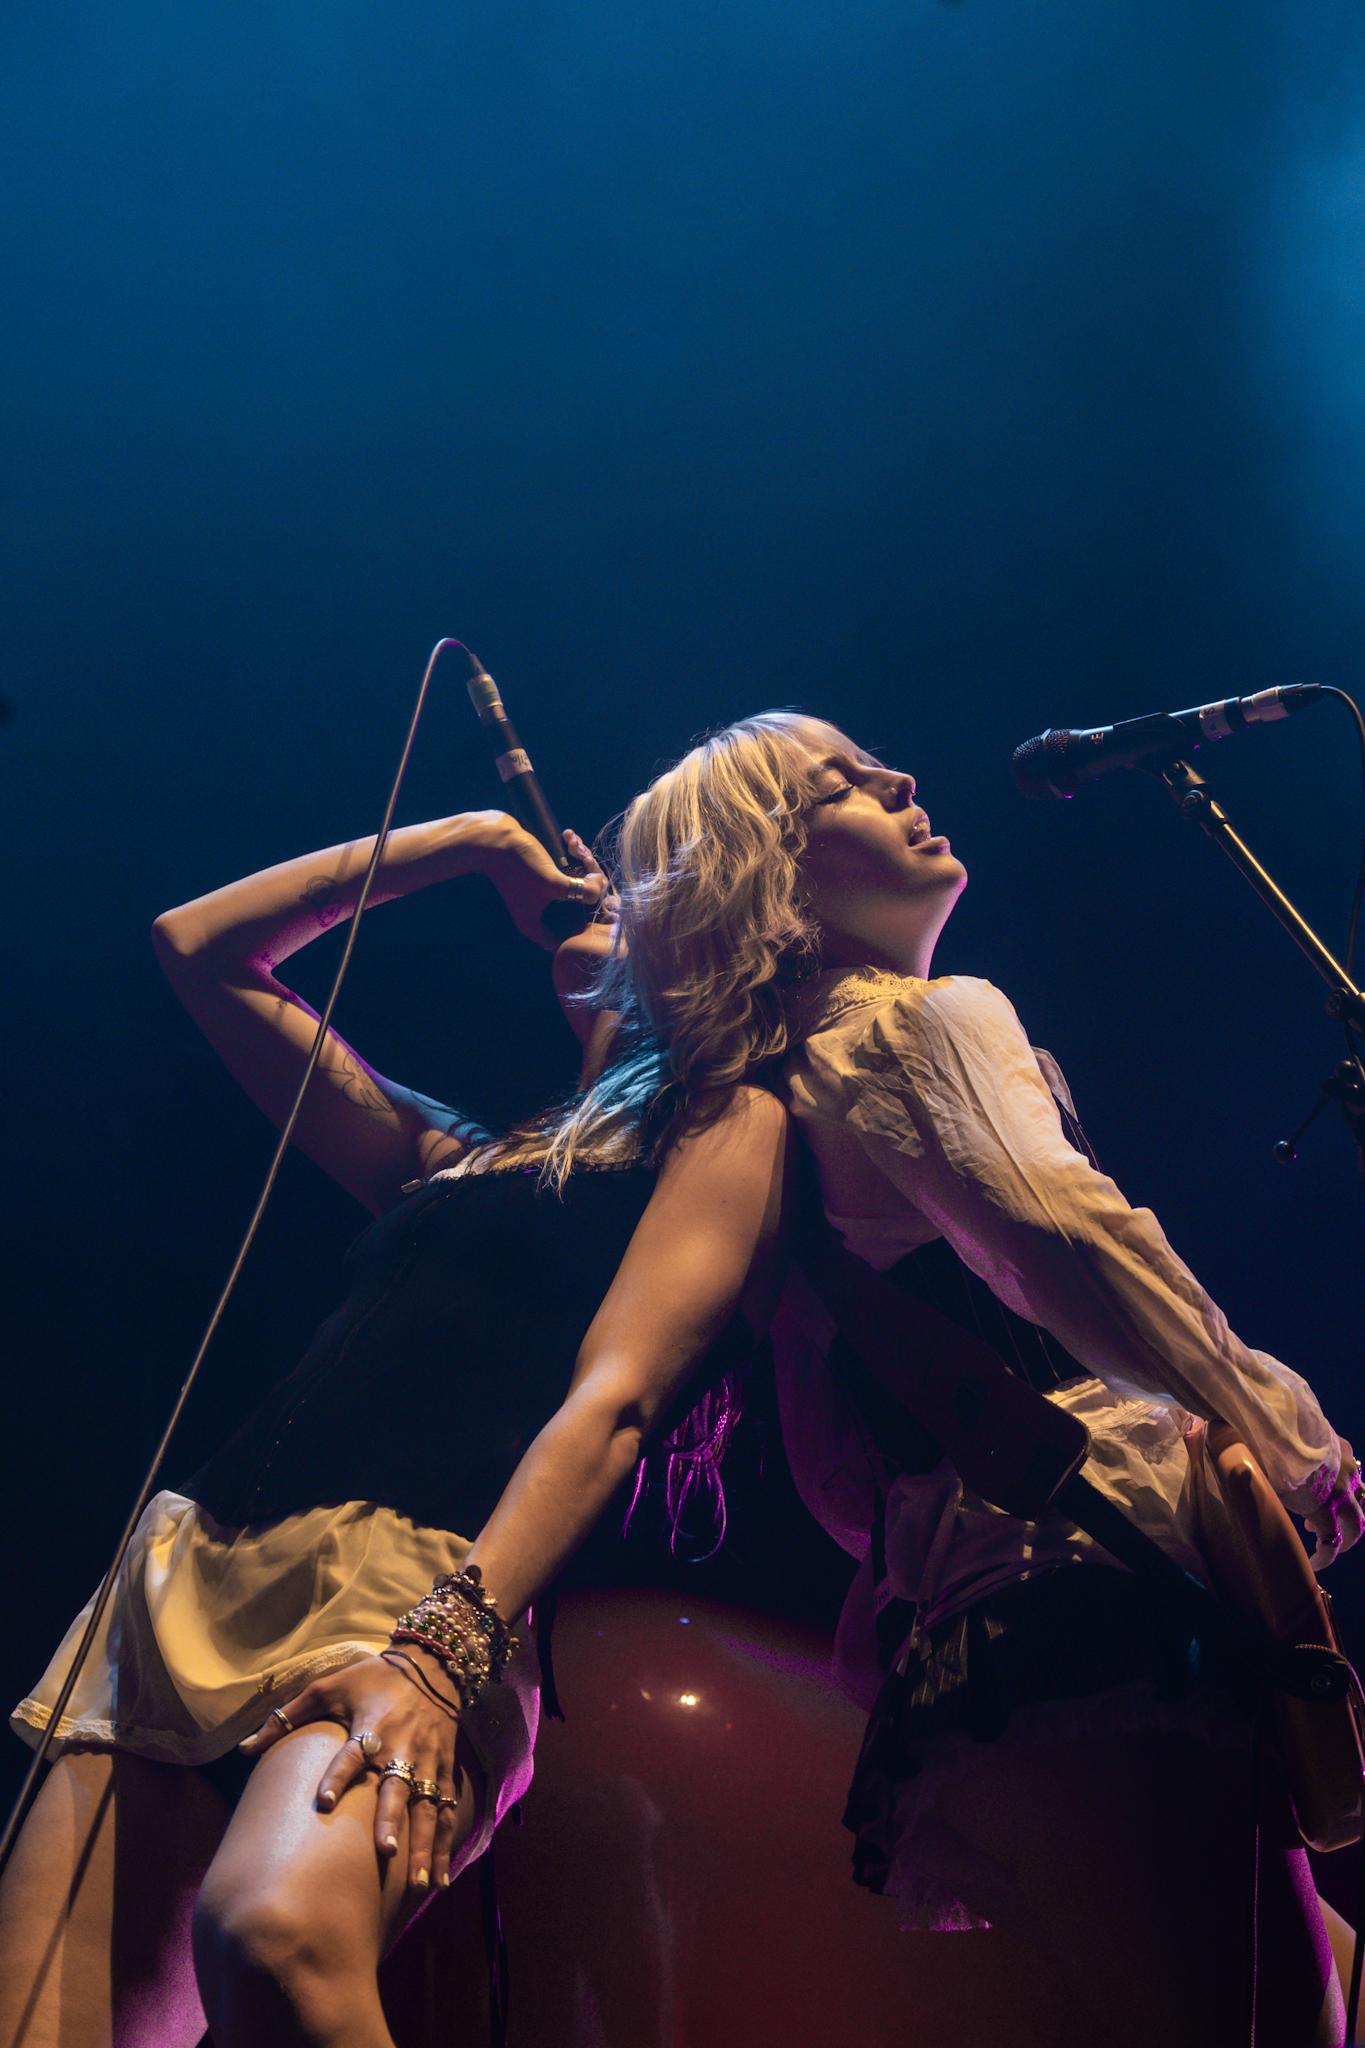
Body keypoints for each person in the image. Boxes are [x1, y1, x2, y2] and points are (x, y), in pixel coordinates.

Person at [590, 709, 1365, 2048]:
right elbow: (1062, 1236)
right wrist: (1276, 1426)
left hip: (974, 1643)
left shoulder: (774, 1113)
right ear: (772, 873)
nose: (900, 775)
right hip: (1098, 1595)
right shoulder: (927, 1019)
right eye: (842, 779)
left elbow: (840, 1474)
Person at [0, 808, 791, 2048]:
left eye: (635, 892)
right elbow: (200, 947)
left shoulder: (720, 1126)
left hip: (413, 1594)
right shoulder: (445, 1157)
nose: (598, 892)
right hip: (190, 1567)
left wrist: (449, 1646)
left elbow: (621, 1401)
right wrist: (468, 843)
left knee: (276, 1938)